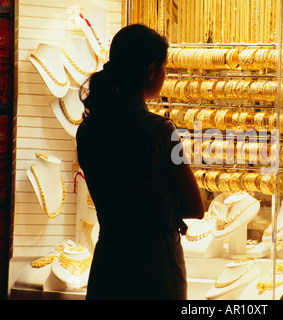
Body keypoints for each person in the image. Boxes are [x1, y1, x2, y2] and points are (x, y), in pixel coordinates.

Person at [76, 24, 204, 300]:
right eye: (163, 68)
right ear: (150, 70)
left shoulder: (88, 130)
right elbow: (195, 207)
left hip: (109, 263)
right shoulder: (161, 131)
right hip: (155, 266)